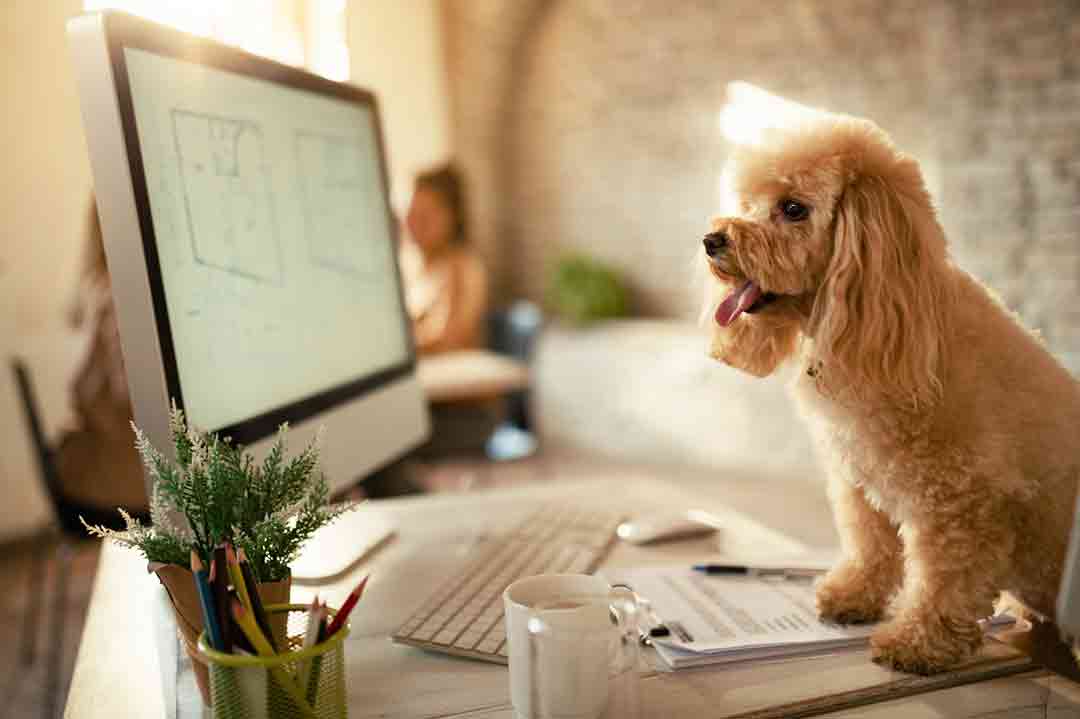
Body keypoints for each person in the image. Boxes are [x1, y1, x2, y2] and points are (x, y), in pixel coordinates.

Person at [56, 193, 148, 515]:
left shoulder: (90, 290)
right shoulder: (118, 299)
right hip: (120, 482)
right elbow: (135, 401)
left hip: (83, 457)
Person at [400, 164, 488, 354]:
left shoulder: (463, 267)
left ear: (452, 217)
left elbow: (450, 340)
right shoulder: (417, 267)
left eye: (425, 217)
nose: (413, 225)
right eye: (411, 214)